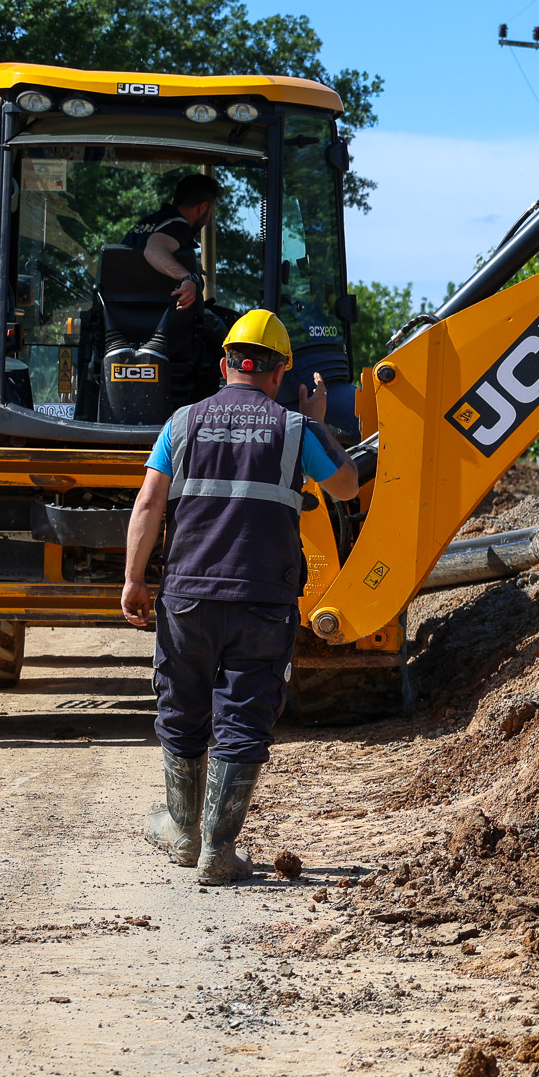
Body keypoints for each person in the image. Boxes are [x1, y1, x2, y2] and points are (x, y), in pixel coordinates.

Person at [122, 310, 360, 885]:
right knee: (243, 718)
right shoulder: (294, 429)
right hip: (261, 597)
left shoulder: (181, 423)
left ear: (222, 364)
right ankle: (217, 851)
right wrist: (316, 422)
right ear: (281, 375)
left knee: (181, 710)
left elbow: (149, 503)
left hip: (187, 595)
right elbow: (348, 486)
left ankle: (182, 831)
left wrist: (133, 578)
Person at [123, 172, 219, 312]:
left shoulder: (149, 224)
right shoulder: (179, 226)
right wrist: (187, 277)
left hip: (121, 316)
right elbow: (153, 251)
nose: (209, 217)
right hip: (153, 320)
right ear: (202, 208)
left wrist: (187, 264)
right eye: (211, 211)